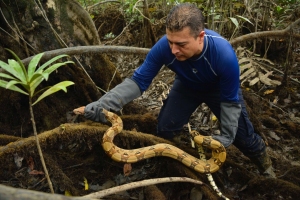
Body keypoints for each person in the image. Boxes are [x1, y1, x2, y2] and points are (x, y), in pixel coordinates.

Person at [81, 3, 276, 178]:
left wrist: (227, 134)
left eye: (181, 44)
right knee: (165, 129)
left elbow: (231, 101)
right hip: (187, 87)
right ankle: (174, 162)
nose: (173, 50)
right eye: (170, 42)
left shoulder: (223, 54)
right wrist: (104, 104)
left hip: (220, 92)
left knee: (243, 138)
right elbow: (138, 81)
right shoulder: (163, 47)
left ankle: (266, 167)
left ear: (200, 37)